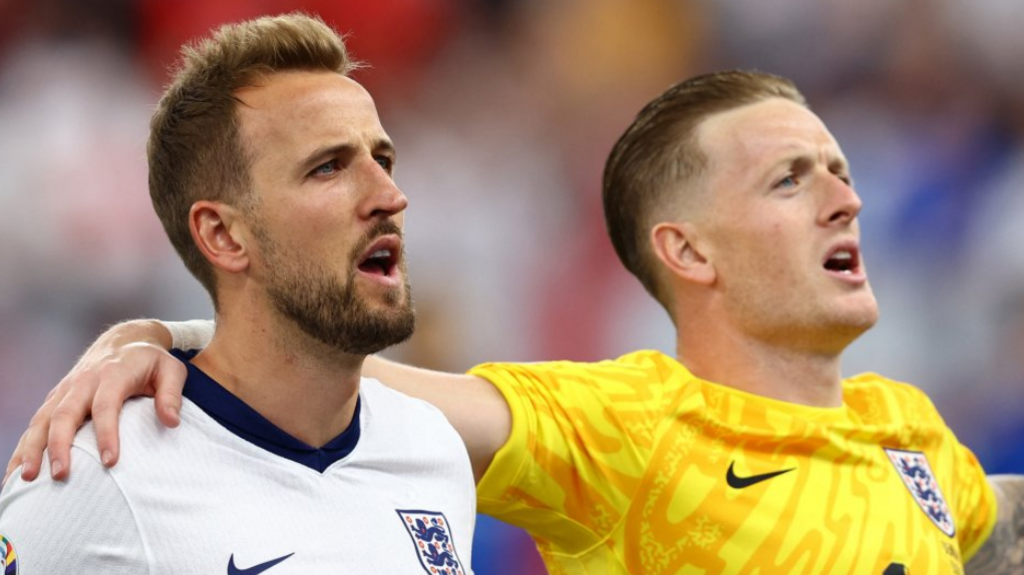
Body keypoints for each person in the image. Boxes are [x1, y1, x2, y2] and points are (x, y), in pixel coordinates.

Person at [8, 69, 1024, 574]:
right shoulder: (622, 427)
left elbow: (987, 528)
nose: (845, 199)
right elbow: (323, 381)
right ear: (688, 251)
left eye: (840, 172)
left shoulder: (912, 429)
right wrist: (163, 338)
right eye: (790, 180)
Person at [0, 13, 478, 574]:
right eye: (328, 168)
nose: (391, 196)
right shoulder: (96, 474)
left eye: (383, 160)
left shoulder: (432, 451)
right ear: (223, 235)